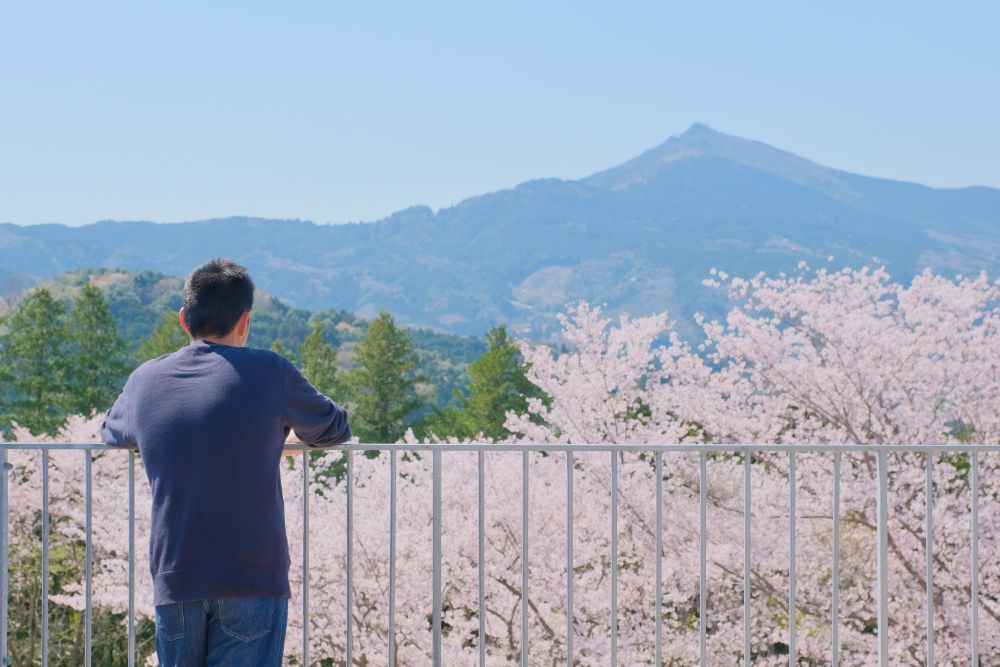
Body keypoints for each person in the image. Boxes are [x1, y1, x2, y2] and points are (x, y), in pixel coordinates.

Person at [101, 258, 351, 666]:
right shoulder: (271, 371)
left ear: (184, 320)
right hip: (252, 573)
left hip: (176, 574)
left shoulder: (144, 380)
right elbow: (335, 428)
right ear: (245, 321)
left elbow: (112, 432)